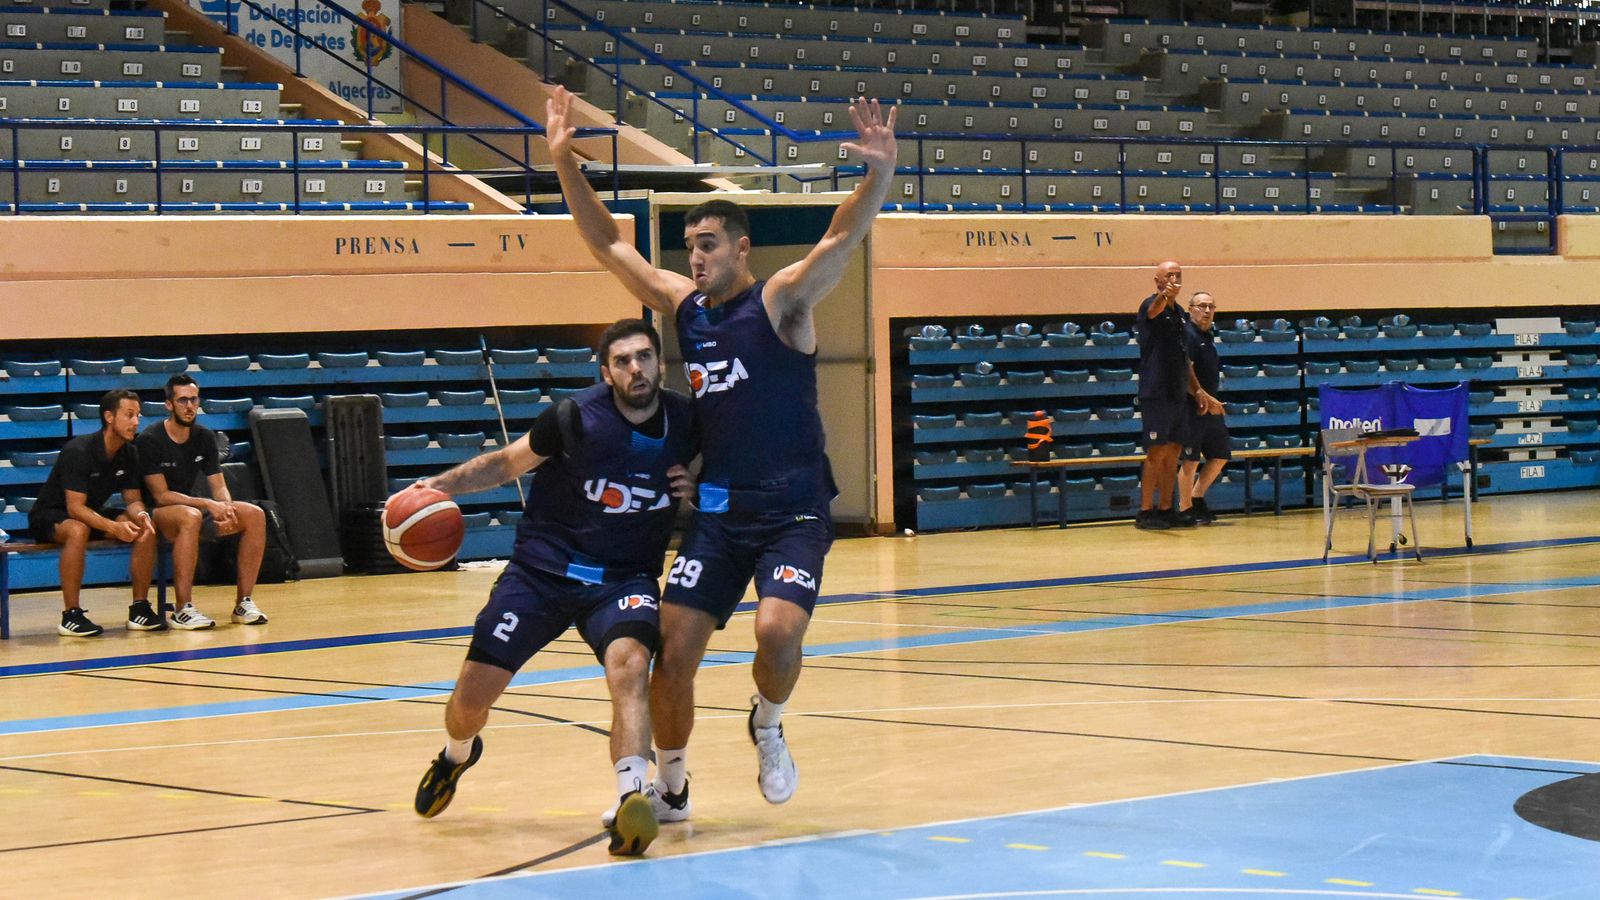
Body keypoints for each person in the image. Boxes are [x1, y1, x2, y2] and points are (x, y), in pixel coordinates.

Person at [545, 86, 897, 814]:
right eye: (688, 247)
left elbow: (840, 239)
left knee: (775, 631)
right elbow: (609, 243)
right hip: (716, 511)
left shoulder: (779, 302)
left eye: (706, 245)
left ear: (740, 248)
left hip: (793, 508)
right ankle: (671, 786)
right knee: (674, 653)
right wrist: (561, 163)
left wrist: (879, 175)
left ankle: (767, 724)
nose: (693, 257)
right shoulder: (685, 309)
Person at [410, 320, 696, 858]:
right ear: (606, 372)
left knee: (631, 667)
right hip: (542, 572)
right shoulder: (572, 418)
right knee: (469, 701)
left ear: (660, 362)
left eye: (643, 357)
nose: (635, 368)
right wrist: (438, 485)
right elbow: (504, 464)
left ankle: (633, 797)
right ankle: (455, 756)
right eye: (622, 361)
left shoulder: (688, 421)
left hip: (623, 579)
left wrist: (700, 491)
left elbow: (724, 481)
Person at [136, 374, 270, 629]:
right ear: (169, 405)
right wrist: (209, 504)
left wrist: (226, 507)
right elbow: (161, 496)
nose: (189, 406)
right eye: (182, 400)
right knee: (190, 515)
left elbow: (218, 485)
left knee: (254, 514)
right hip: (157, 514)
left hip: (193, 508)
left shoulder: (205, 437)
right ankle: (182, 608)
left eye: (193, 399)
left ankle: (244, 602)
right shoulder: (150, 439)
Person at [27, 389, 158, 637]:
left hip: (91, 511)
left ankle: (140, 608)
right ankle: (71, 615)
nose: (136, 422)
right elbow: (74, 508)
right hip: (50, 514)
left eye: (138, 415)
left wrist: (141, 515)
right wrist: (114, 527)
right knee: (78, 529)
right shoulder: (78, 450)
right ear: (109, 417)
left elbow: (133, 500)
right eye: (129, 415)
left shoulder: (130, 452)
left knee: (145, 527)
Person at [1135, 260, 1222, 530]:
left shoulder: (1181, 313)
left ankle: (1165, 508)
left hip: (1177, 392)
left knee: (1173, 452)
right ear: (1157, 280)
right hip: (1156, 390)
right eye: (1168, 275)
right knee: (1155, 452)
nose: (1174, 278)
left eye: (1178, 275)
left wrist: (1197, 391)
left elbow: (1185, 359)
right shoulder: (1152, 304)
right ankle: (1145, 511)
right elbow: (1153, 311)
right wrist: (1164, 295)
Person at [1178, 292, 1230, 525]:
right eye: (1202, 306)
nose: (1207, 311)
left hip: (1211, 407)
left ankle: (1197, 498)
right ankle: (1184, 507)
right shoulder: (1188, 335)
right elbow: (1184, 375)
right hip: (1192, 408)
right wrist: (1206, 399)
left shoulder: (1207, 336)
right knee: (1190, 460)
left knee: (1220, 455)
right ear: (1190, 309)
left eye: (1211, 306)